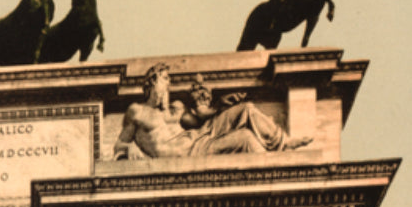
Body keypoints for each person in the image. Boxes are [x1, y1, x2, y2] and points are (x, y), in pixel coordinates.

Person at [115, 62, 311, 160]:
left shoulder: (175, 109)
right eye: (165, 79)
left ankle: (284, 143)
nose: (169, 84)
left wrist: (220, 106)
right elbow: (118, 144)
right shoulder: (137, 112)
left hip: (200, 139)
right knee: (246, 138)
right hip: (188, 153)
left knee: (246, 109)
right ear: (153, 81)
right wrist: (129, 148)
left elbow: (199, 118)